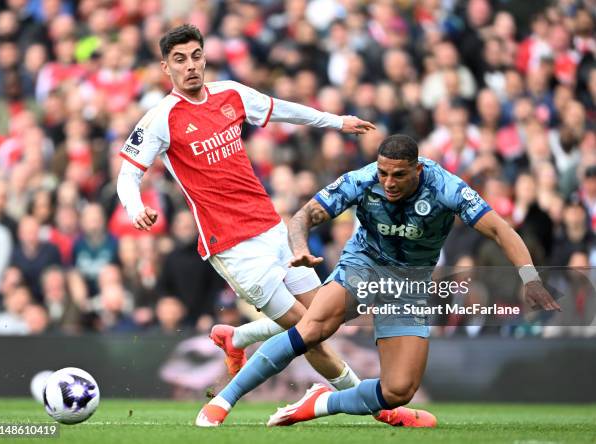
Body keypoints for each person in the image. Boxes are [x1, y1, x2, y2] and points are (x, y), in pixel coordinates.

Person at [117, 24, 418, 427]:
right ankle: (374, 406)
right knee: (308, 331)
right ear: (165, 67)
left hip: (274, 230)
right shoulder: (160, 119)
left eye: (196, 56)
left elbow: (283, 108)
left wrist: (336, 121)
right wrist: (135, 207)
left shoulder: (231, 94)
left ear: (204, 57)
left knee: (326, 317)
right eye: (179, 59)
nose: (190, 66)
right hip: (233, 247)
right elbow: (127, 174)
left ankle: (238, 336)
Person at [197, 134, 560, 427]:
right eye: (383, 173)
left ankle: (321, 402)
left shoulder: (447, 187)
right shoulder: (363, 179)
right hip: (365, 265)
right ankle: (225, 400)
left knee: (399, 390)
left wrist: (529, 279)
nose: (388, 182)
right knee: (313, 328)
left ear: (417, 169)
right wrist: (300, 247)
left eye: (398, 175)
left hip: (409, 283)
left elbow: (500, 229)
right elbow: (303, 215)